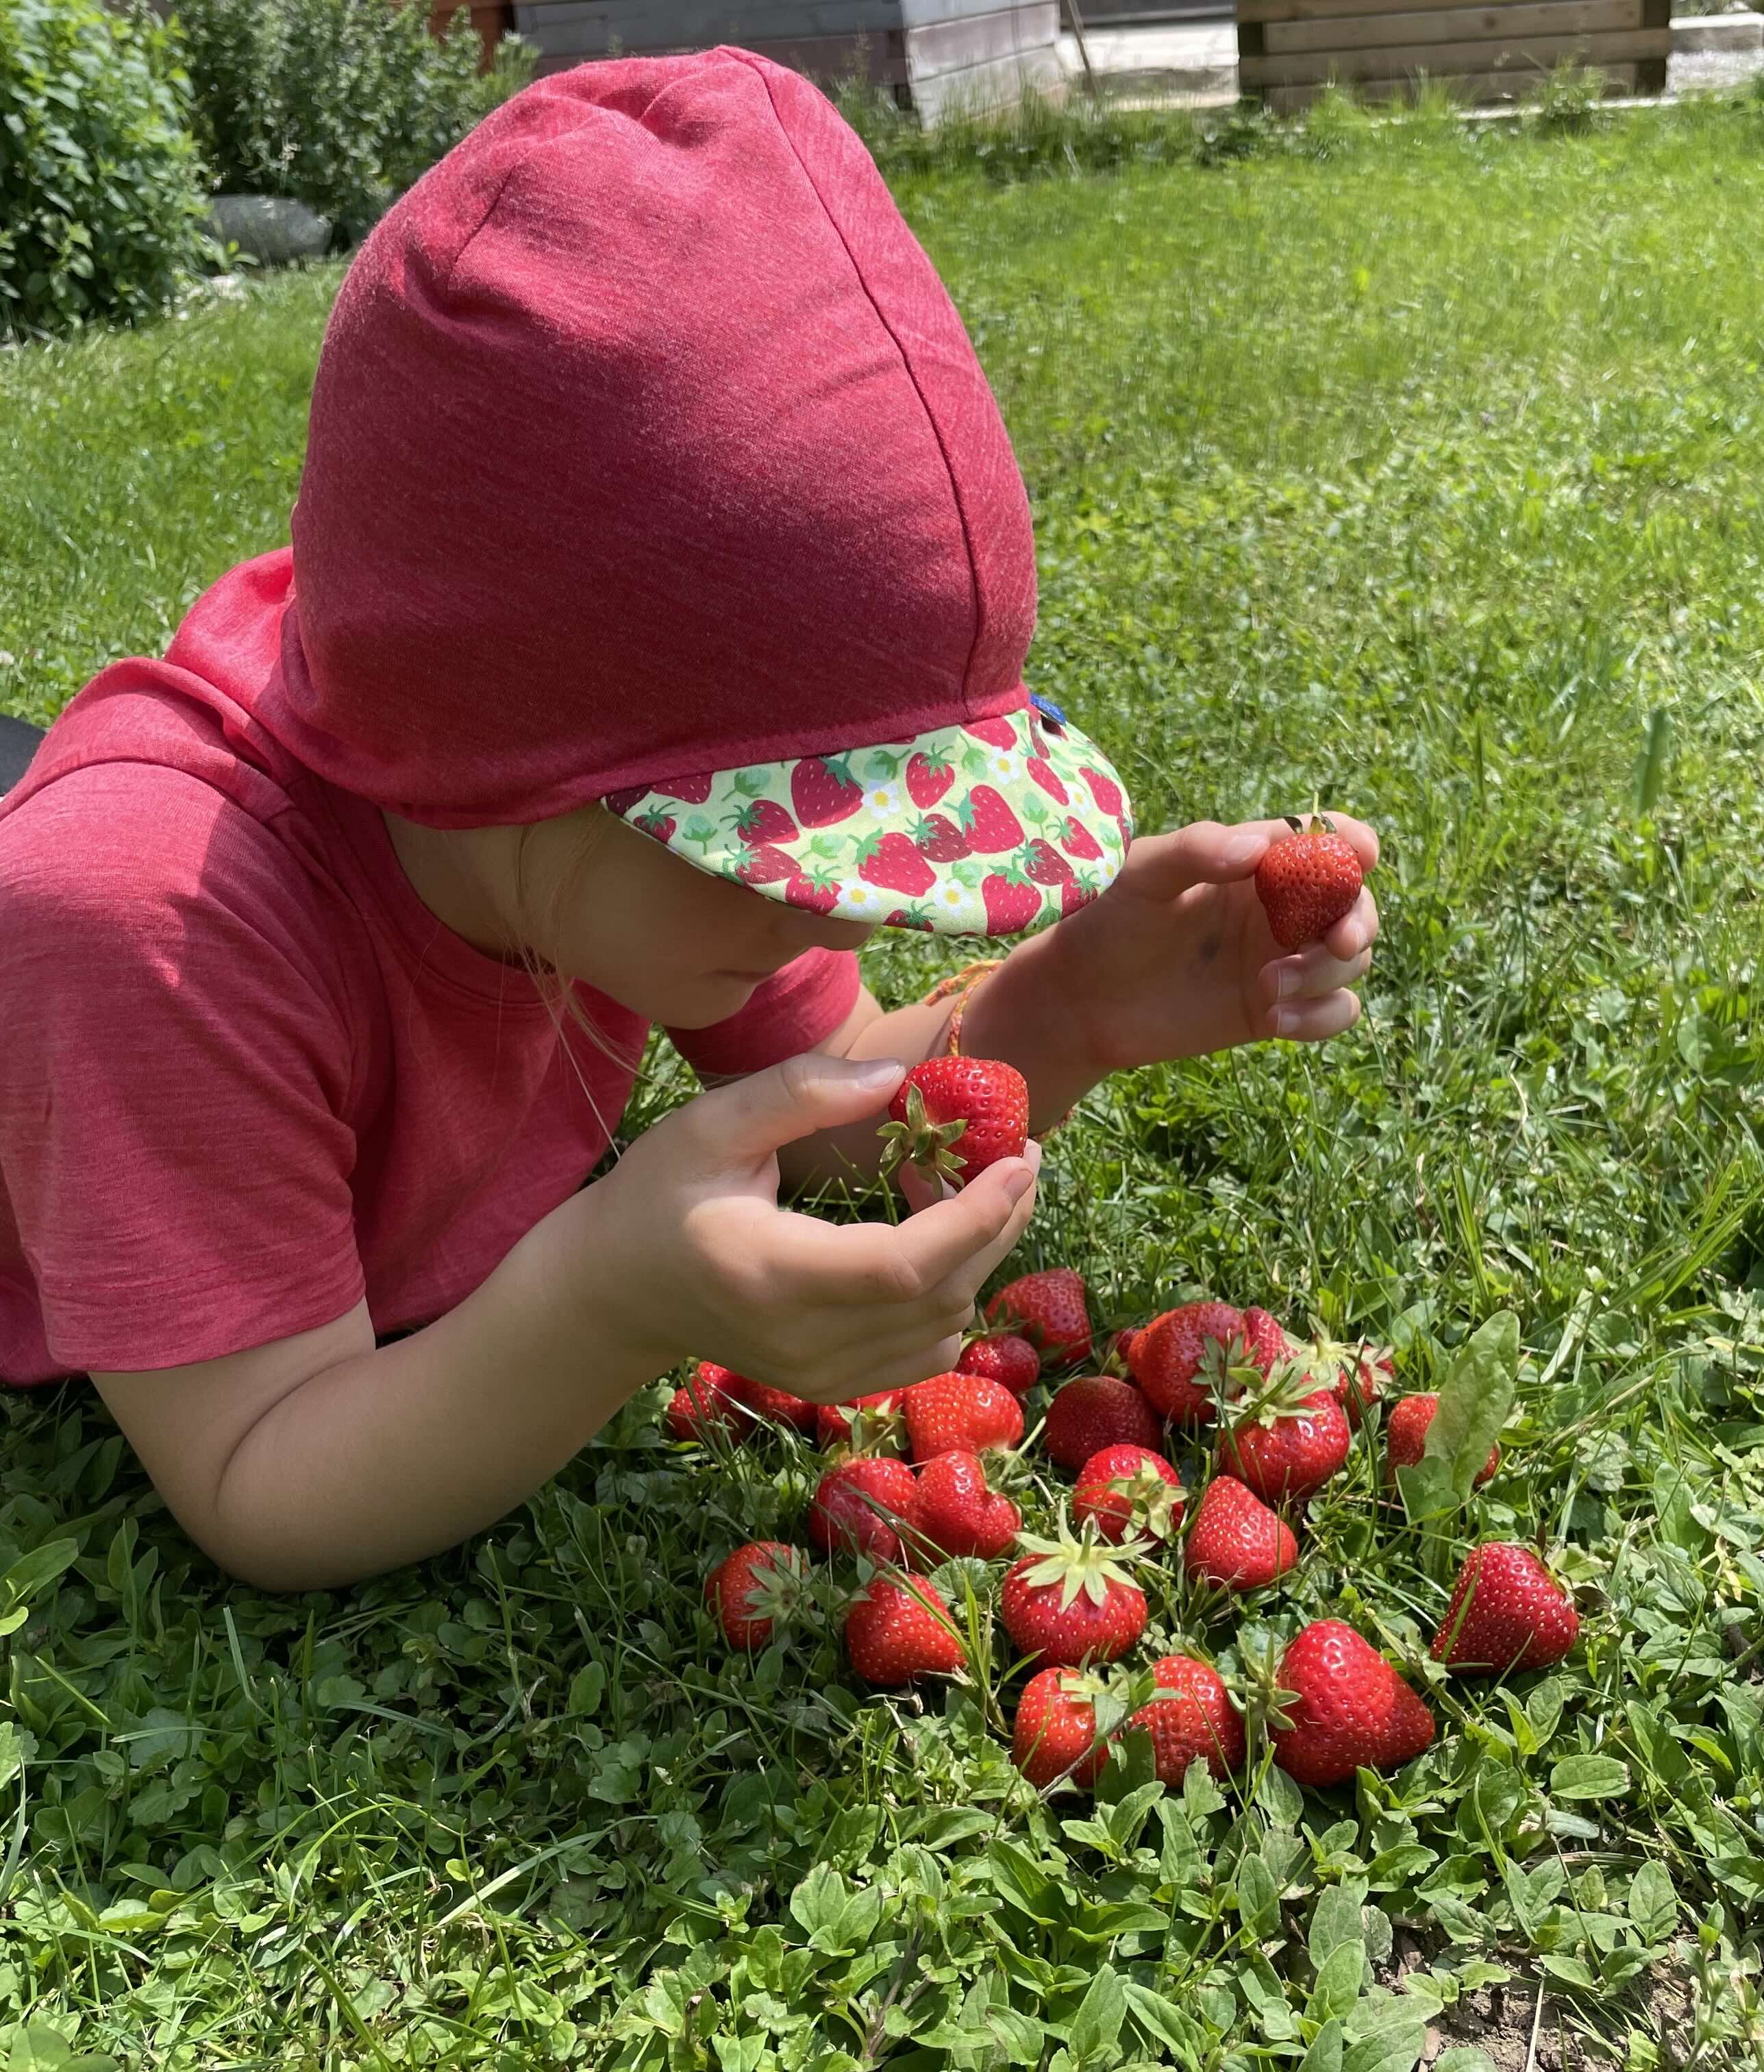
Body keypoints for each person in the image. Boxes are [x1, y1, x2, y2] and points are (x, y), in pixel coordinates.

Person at [0, 51, 1376, 1593]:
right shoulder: (148, 932)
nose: (847, 913)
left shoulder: (572, 833)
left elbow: (834, 1111)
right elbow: (266, 1478)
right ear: (495, 760)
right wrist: (603, 1303)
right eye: (779, 852)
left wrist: (1071, 1004)